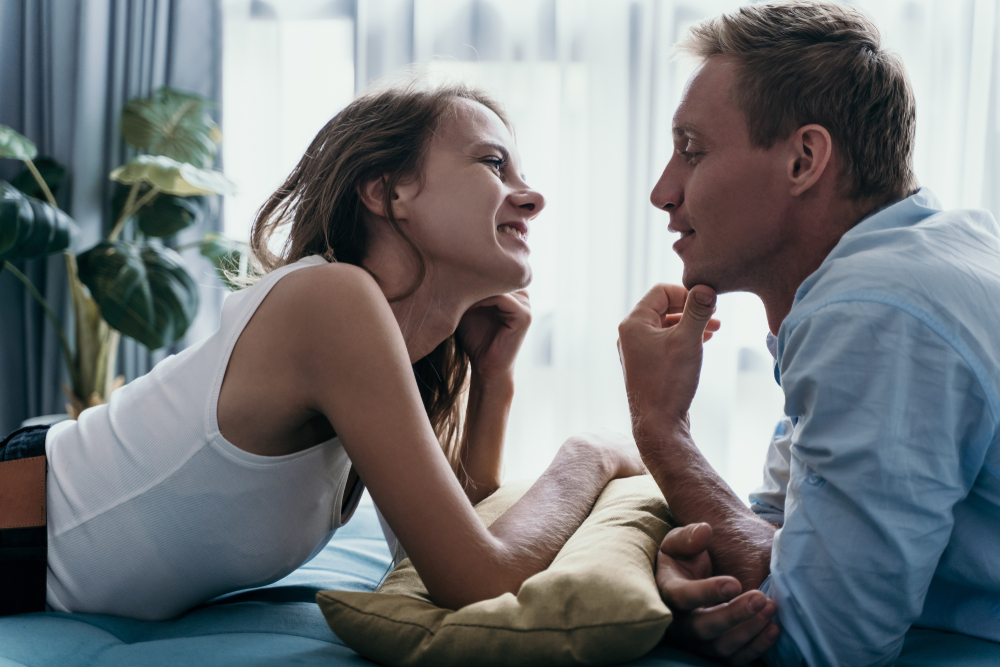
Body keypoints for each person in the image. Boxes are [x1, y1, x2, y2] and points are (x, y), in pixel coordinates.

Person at [0, 80, 645, 620]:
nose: (531, 197)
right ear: (388, 192)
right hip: (16, 527)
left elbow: (445, 542)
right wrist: (594, 453)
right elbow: (477, 578)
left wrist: (493, 381)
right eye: (493, 164)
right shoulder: (332, 302)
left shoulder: (372, 344)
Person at [617, 2, 1000, 666]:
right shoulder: (928, 252)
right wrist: (701, 585)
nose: (662, 191)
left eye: (691, 151)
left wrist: (661, 429)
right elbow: (781, 531)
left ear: (803, 159)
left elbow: (819, 642)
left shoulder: (877, 312)